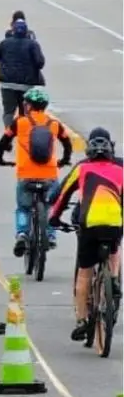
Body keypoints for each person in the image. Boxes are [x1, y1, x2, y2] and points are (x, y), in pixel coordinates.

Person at [49, 127, 123, 341]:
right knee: (115, 247)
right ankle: (115, 280)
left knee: (84, 273)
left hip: (89, 225)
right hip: (115, 223)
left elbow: (62, 196)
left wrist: (54, 219)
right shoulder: (121, 169)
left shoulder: (83, 168)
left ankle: (82, 320)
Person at [0, 87, 73, 256]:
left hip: (26, 175)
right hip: (49, 175)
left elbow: (3, 142)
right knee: (51, 205)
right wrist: (64, 160)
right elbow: (67, 144)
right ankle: (50, 235)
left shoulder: (19, 122)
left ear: (28, 105)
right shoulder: (54, 124)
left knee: (23, 208)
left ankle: (22, 234)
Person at [0, 20, 46, 127]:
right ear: (26, 32)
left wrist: (4, 66)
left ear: (13, 31)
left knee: (8, 111)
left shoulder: (4, 43)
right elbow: (40, 63)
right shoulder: (33, 45)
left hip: (7, 84)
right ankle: (25, 134)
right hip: (27, 85)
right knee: (26, 112)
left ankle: (8, 134)